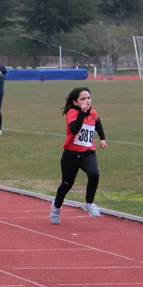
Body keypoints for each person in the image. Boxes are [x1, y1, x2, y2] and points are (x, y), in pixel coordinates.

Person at [49, 87, 107, 224]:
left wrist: (102, 138)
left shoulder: (93, 112)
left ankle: (89, 203)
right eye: (83, 99)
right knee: (66, 185)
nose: (87, 101)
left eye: (88, 98)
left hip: (88, 152)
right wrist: (82, 113)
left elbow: (98, 123)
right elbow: (74, 129)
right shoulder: (72, 112)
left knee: (94, 174)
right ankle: (56, 207)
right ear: (75, 102)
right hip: (71, 154)